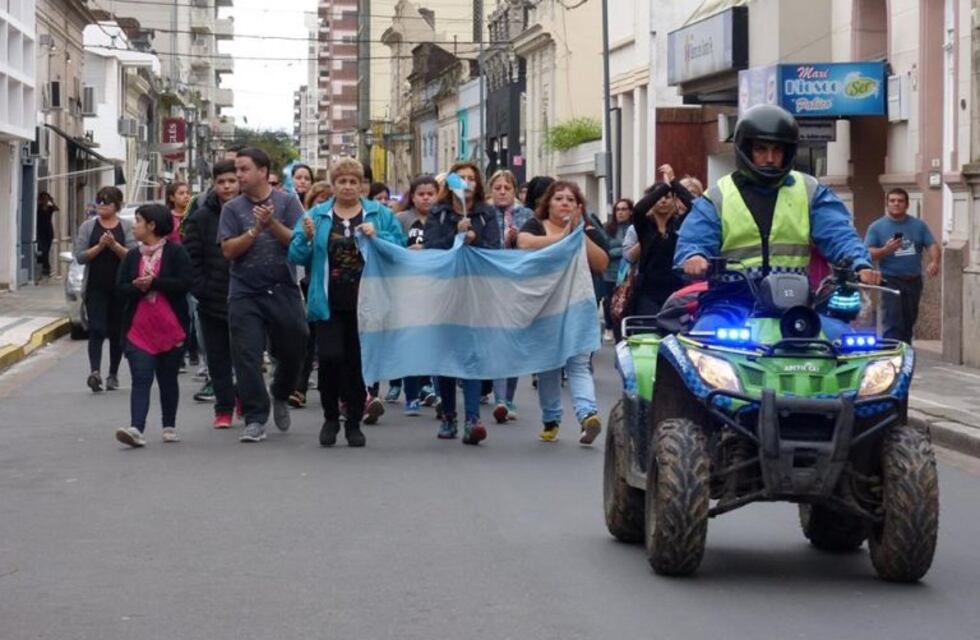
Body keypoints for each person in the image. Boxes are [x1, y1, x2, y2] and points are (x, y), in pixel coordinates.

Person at [675, 104, 881, 336]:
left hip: (796, 306)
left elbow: (839, 233)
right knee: (705, 339)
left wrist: (859, 263)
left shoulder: (810, 191)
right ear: (745, 149)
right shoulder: (717, 197)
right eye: (761, 149)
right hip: (731, 303)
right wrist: (693, 255)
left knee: (842, 340)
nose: (770, 158)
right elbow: (695, 237)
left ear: (789, 152)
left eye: (778, 150)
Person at [288, 158, 405, 447]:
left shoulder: (379, 214)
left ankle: (353, 421)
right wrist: (307, 239)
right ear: (334, 184)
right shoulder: (317, 214)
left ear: (362, 184)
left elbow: (398, 248)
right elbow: (295, 255)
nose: (348, 187)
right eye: (342, 181)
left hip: (366, 301)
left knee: (356, 364)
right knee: (329, 360)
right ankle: (330, 417)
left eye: (354, 181)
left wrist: (379, 235)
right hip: (328, 301)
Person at [218, 147, 309, 443]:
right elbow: (229, 251)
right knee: (247, 355)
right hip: (245, 291)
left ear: (263, 172)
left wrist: (271, 223)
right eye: (237, 170)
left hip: (283, 287)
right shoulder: (232, 208)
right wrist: (255, 229)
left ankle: (281, 392)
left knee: (296, 343)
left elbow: (298, 241)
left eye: (244, 169)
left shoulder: (287, 201)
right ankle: (256, 418)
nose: (239, 176)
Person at [518, 181, 608, 444]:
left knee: (578, 364)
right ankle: (551, 420)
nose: (565, 203)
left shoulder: (586, 231)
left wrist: (579, 234)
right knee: (548, 365)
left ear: (579, 206)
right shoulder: (535, 226)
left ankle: (587, 414)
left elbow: (602, 263)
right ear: (548, 203)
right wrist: (564, 236)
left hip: (578, 305)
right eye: (559, 198)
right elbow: (524, 243)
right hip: (545, 308)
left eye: (571, 199)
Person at [424, 161, 501, 445]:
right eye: (461, 178)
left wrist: (474, 237)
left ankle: (472, 418)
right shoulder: (438, 212)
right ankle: (448, 416)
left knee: (471, 355)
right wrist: (455, 233)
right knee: (446, 356)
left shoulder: (487, 213)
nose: (467, 183)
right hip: (445, 292)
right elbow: (431, 248)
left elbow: (495, 250)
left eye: (471, 178)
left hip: (475, 292)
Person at [114, 204, 192, 448]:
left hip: (170, 327)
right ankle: (136, 428)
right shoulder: (132, 256)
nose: (134, 226)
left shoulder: (176, 252)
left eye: (138, 221)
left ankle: (169, 425)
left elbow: (184, 283)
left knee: (168, 379)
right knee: (141, 378)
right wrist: (138, 286)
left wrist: (155, 283)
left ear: (152, 225)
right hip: (139, 330)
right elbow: (120, 288)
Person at [183, 159, 240, 428]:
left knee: (245, 356)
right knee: (217, 357)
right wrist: (202, 289)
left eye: (232, 181)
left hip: (246, 297)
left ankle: (246, 399)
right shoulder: (200, 218)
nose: (227, 186)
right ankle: (224, 408)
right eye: (221, 182)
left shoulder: (251, 213)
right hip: (211, 300)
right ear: (214, 185)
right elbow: (192, 258)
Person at [73, 186, 135, 393]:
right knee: (97, 329)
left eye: (106, 202)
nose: (101, 206)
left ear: (116, 206)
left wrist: (114, 245)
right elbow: (80, 256)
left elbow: (134, 257)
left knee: (117, 332)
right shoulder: (88, 227)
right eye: (99, 201)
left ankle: (113, 374)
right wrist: (99, 247)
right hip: (95, 287)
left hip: (120, 288)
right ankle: (95, 372)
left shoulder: (126, 227)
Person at [487, 169, 534, 423]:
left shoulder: (526, 215)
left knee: (514, 343)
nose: (503, 192)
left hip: (518, 285)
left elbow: (534, 247)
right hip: (492, 286)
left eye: (507, 188)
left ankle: (510, 397)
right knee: (497, 342)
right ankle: (500, 399)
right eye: (498, 188)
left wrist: (519, 240)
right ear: (490, 190)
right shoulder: (484, 214)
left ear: (515, 191)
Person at [865, 188, 941, 344]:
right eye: (892, 201)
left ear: (907, 205)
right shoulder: (877, 227)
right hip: (890, 280)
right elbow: (868, 253)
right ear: (887, 204)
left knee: (908, 322)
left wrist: (935, 261)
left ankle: (905, 353)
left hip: (913, 281)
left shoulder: (918, 225)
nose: (896, 204)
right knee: (893, 322)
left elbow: (932, 244)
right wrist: (886, 250)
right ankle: (892, 356)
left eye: (900, 201)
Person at [395, 175, 440, 416]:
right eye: (421, 194)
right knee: (410, 342)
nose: (426, 198)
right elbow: (390, 245)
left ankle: (432, 389)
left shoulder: (443, 219)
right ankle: (410, 395)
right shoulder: (402, 219)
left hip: (436, 288)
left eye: (430, 193)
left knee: (434, 342)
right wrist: (406, 251)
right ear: (412, 197)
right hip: (408, 288)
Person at [629, 165, 692, 316]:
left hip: (676, 290)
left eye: (667, 197)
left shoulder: (679, 224)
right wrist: (664, 188)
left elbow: (695, 205)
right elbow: (637, 210)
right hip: (647, 292)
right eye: (658, 197)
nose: (663, 200)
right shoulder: (645, 225)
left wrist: (673, 182)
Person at [602, 198, 633, 342]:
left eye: (624, 209)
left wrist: (622, 250)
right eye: (618, 210)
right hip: (611, 271)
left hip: (629, 271)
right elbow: (605, 250)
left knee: (626, 301)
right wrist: (625, 249)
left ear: (630, 211)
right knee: (610, 302)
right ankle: (609, 327)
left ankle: (622, 330)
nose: (620, 213)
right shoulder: (608, 228)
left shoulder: (634, 227)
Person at [36, 192, 58, 278]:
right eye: (44, 198)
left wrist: (52, 201)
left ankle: (46, 269)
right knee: (42, 250)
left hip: (48, 232)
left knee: (46, 251)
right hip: (40, 231)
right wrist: (39, 202)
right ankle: (45, 268)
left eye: (47, 198)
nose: (45, 200)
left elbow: (57, 209)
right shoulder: (38, 207)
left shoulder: (50, 208)